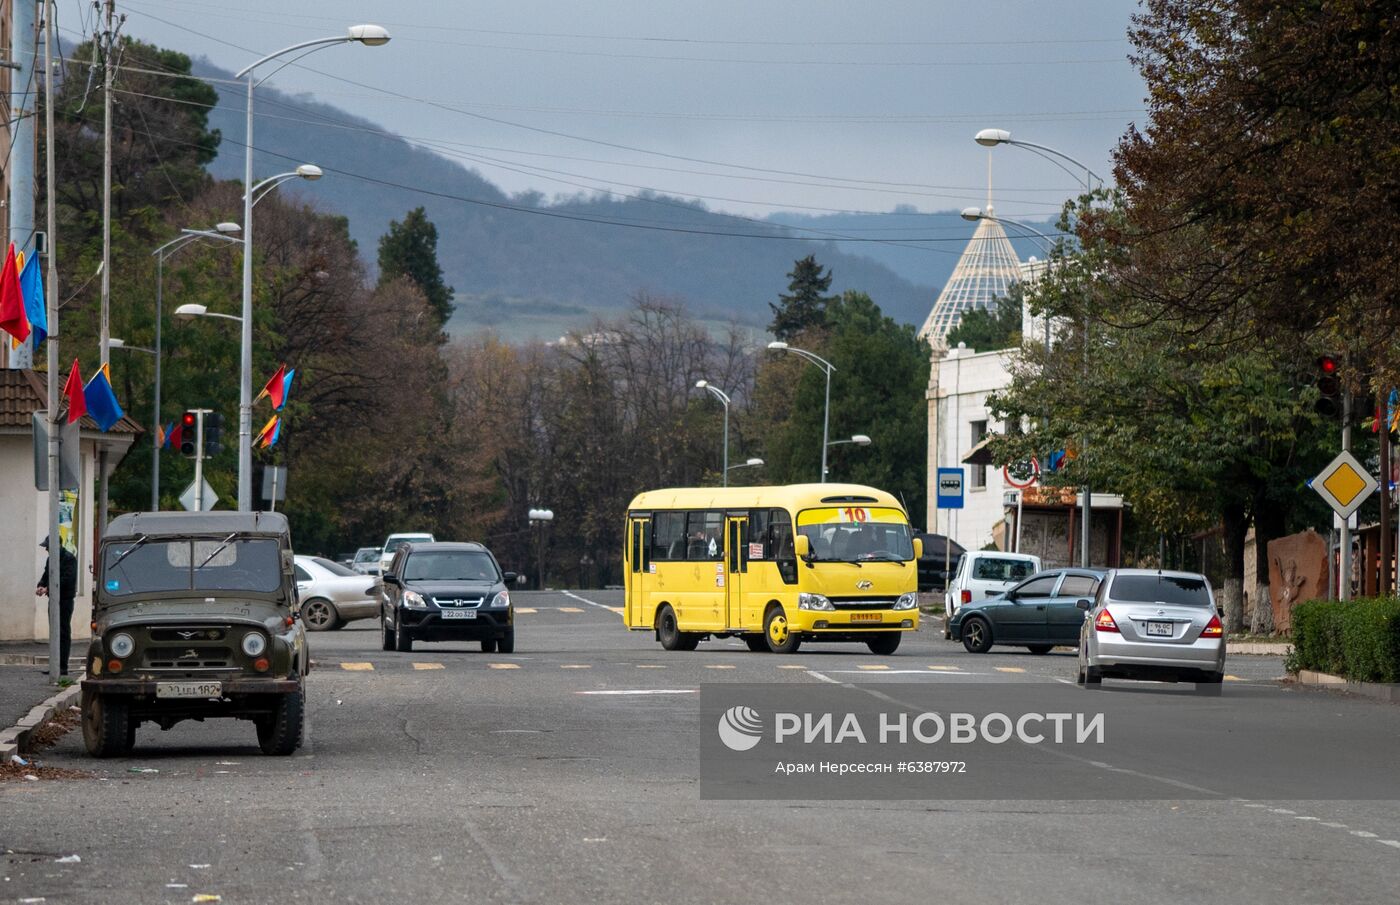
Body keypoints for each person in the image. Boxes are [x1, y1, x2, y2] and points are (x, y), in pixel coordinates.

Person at [36, 536, 78, 677]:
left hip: (65, 600)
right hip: (53, 599)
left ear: (57, 546)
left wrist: (48, 588)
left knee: (63, 632)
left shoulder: (69, 558)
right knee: (54, 632)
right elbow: (46, 575)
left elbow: (66, 579)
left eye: (48, 546)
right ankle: (55, 665)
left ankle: (62, 667)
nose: (46, 549)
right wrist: (41, 585)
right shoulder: (50, 559)